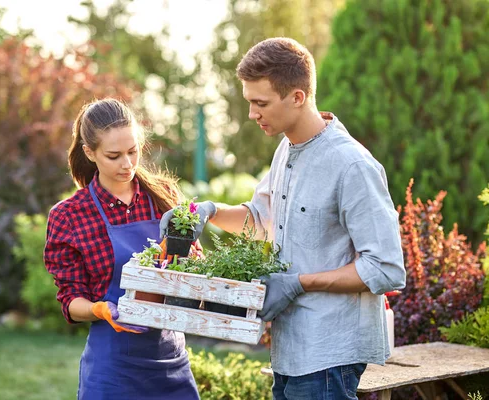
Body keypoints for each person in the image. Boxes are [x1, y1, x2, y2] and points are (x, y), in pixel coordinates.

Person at [160, 37, 406, 399]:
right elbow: (260, 218)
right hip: (289, 348)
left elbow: (385, 268)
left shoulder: (350, 165)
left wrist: (297, 283)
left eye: (261, 103)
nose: (252, 114)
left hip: (328, 354)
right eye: (249, 102)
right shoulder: (287, 149)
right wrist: (206, 211)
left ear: (297, 97)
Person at [44, 98, 199, 400]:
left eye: (133, 152)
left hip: (170, 363)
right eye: (114, 156)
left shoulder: (163, 197)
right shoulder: (70, 215)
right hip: (112, 370)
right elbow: (70, 300)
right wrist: (98, 309)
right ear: (90, 153)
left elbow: (197, 261)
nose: (127, 164)